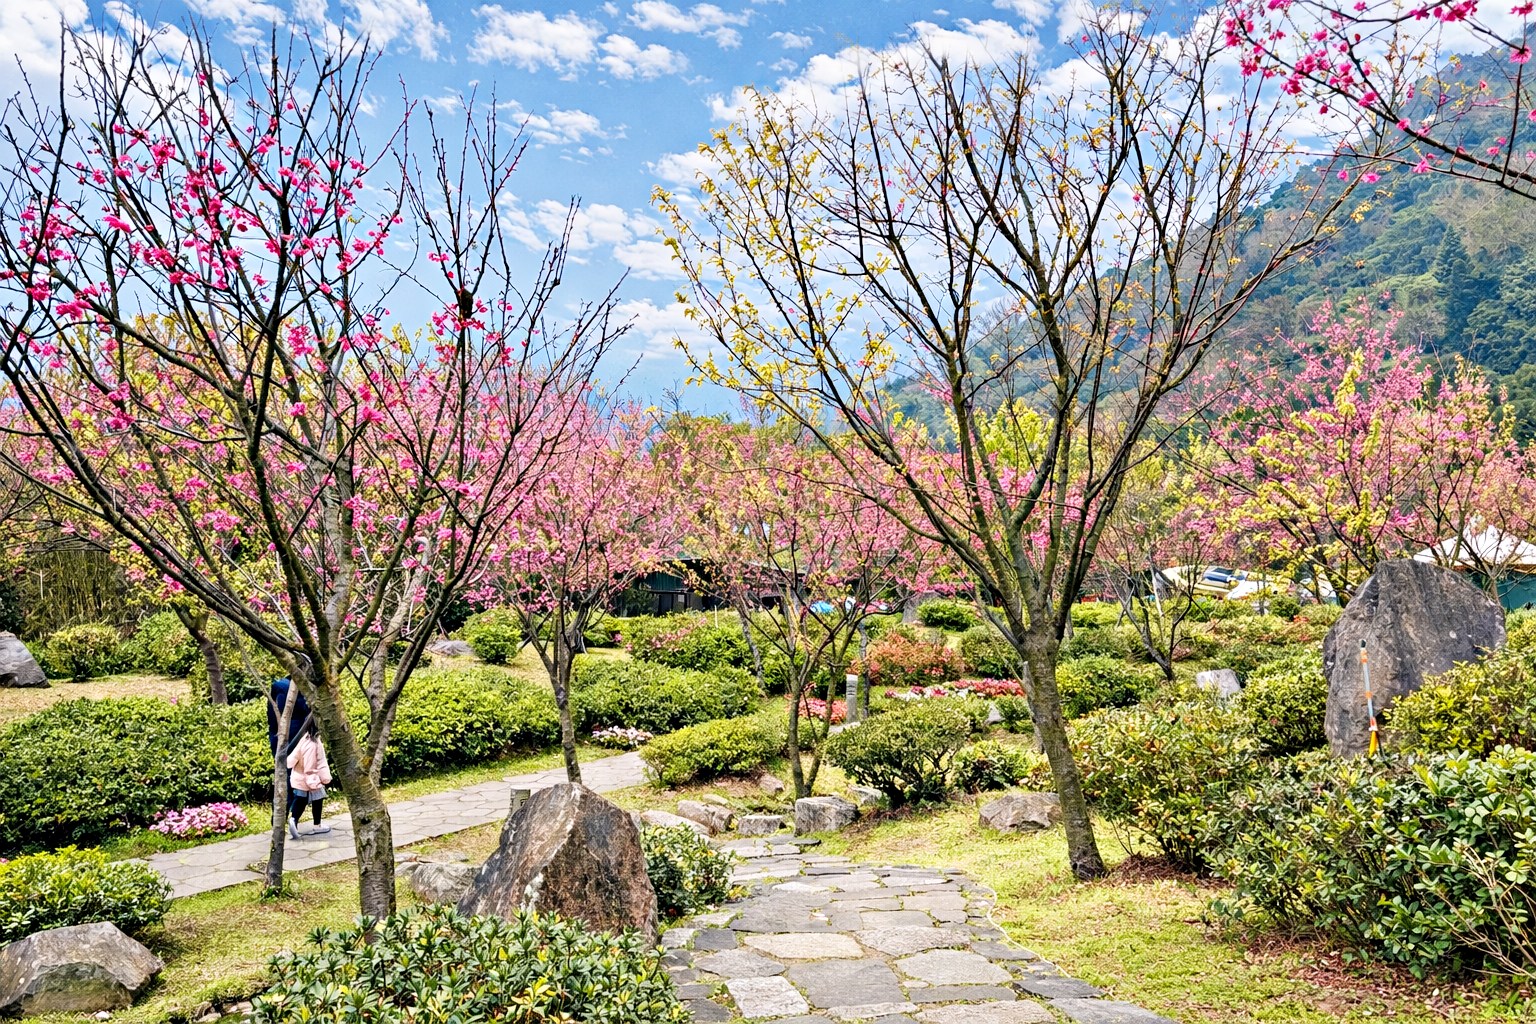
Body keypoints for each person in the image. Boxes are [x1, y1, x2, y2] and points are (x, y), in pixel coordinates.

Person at [285, 721, 333, 839]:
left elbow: (294, 758)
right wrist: (319, 781)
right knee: (317, 799)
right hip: (310, 779)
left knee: (300, 801)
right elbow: (312, 766)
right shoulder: (313, 744)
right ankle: (316, 825)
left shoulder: (305, 739)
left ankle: (294, 821)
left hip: (299, 778)